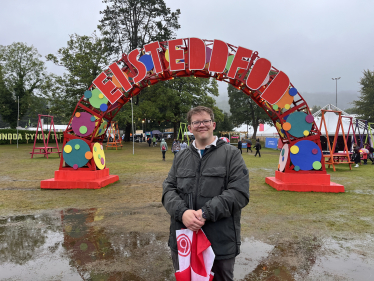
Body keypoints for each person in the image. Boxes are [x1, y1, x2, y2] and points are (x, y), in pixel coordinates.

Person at [162, 106, 249, 281]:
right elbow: (168, 190)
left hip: (219, 242)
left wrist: (205, 213)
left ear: (213, 124)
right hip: (183, 239)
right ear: (190, 128)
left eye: (205, 121)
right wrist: (183, 213)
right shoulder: (180, 157)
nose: (201, 125)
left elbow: (239, 193)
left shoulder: (232, 154)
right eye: (196, 122)